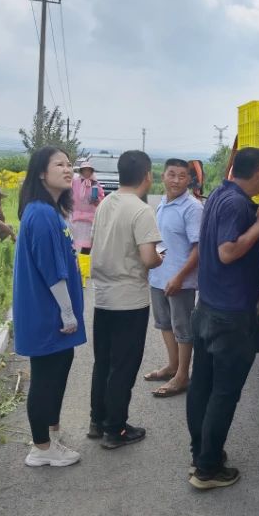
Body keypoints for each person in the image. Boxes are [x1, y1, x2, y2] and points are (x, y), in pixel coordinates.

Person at [186, 147, 259, 490]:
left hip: (207, 309)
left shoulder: (220, 194)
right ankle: (208, 469)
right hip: (230, 316)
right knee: (223, 393)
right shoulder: (238, 205)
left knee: (202, 387)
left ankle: (200, 455)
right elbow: (227, 252)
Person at [12, 146, 86, 468]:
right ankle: (41, 448)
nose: (68, 169)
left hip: (52, 311)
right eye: (60, 164)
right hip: (47, 313)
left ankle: (51, 434)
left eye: (70, 164)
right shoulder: (41, 213)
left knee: (58, 369)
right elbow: (51, 269)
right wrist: (67, 313)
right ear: (41, 173)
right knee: (45, 378)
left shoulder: (50, 211)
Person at [87, 150, 163, 449]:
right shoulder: (142, 210)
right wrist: (159, 258)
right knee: (124, 366)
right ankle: (115, 429)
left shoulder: (106, 202)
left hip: (103, 297)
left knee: (103, 362)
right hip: (129, 300)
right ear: (147, 175)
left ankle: (97, 420)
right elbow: (148, 258)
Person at [143, 159, 203, 399]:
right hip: (158, 277)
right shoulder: (162, 204)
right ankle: (172, 366)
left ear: (189, 180)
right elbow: (161, 241)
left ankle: (182, 376)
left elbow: (199, 248)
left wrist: (179, 277)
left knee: (183, 329)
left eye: (182, 176)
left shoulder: (192, 208)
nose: (176, 180)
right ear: (163, 177)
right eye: (171, 175)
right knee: (164, 324)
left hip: (180, 282)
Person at [71, 159, 102, 254]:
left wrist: (96, 200)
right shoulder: (75, 182)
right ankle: (74, 258)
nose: (86, 172)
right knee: (75, 240)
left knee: (88, 242)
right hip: (77, 217)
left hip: (90, 218)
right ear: (81, 171)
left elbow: (101, 198)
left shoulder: (95, 184)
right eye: (84, 170)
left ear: (91, 171)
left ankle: (84, 259)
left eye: (88, 170)